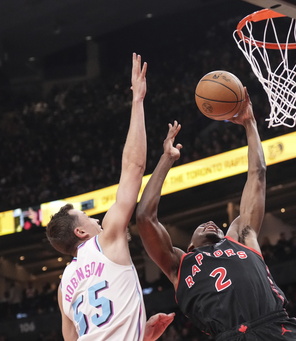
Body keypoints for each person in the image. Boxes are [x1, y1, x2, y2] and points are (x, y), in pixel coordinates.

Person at [136, 88, 296, 340]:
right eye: (201, 226)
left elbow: (258, 175)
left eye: (215, 224)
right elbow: (144, 217)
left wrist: (250, 123)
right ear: (189, 245)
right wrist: (166, 159)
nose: (209, 223)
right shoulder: (178, 265)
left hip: (276, 327)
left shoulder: (241, 236)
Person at [45, 53, 174, 341]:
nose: (97, 222)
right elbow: (133, 168)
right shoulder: (106, 241)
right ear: (80, 231)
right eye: (89, 218)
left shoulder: (64, 285)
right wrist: (138, 101)